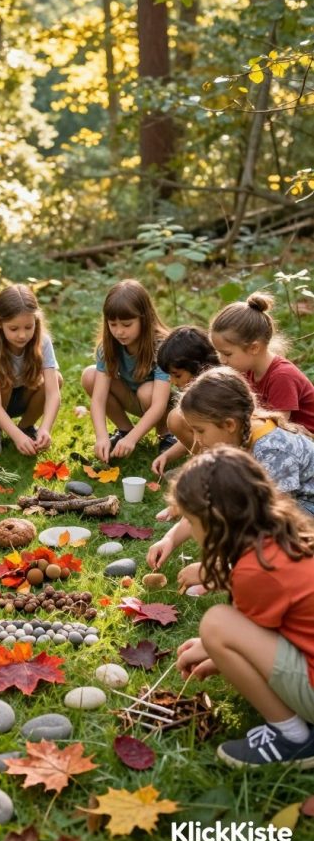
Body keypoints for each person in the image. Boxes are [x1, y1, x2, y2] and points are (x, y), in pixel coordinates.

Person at [173, 447, 314, 768]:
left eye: (192, 522)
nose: (192, 532)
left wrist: (214, 646)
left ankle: (292, 737)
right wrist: (216, 654)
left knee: (217, 623)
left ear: (216, 522)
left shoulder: (254, 572)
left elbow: (246, 633)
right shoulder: (285, 537)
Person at [147, 366, 314, 583]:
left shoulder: (274, 449)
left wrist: (217, 569)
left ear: (229, 424)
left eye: (200, 430)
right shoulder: (234, 437)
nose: (196, 440)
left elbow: (275, 523)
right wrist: (170, 539)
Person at [81, 279, 172, 462]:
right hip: (132, 397)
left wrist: (133, 440)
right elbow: (98, 400)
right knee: (90, 375)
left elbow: (159, 404)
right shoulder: (108, 347)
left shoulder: (161, 346)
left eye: (126, 324)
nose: (119, 332)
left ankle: (166, 435)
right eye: (113, 325)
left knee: (146, 391)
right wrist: (101, 437)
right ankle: (125, 430)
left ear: (144, 318)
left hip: (162, 405)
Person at [0, 284, 62, 457]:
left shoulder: (43, 342)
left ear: (36, 321)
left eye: (28, 327)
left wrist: (46, 428)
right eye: (14, 329)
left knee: (57, 378)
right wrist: (16, 437)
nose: (22, 335)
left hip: (21, 396)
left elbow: (53, 393)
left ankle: (26, 427)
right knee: (5, 382)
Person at [211, 292, 314, 433]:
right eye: (219, 352)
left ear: (254, 348)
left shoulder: (282, 376)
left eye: (227, 354)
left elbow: (277, 428)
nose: (222, 360)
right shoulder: (247, 369)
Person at [151, 325, 220, 477]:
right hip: (215, 446)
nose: (173, 381)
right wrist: (167, 455)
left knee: (176, 417)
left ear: (197, 367)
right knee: (177, 418)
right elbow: (198, 435)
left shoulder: (218, 393)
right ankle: (204, 466)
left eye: (177, 375)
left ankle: (212, 471)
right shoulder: (198, 393)